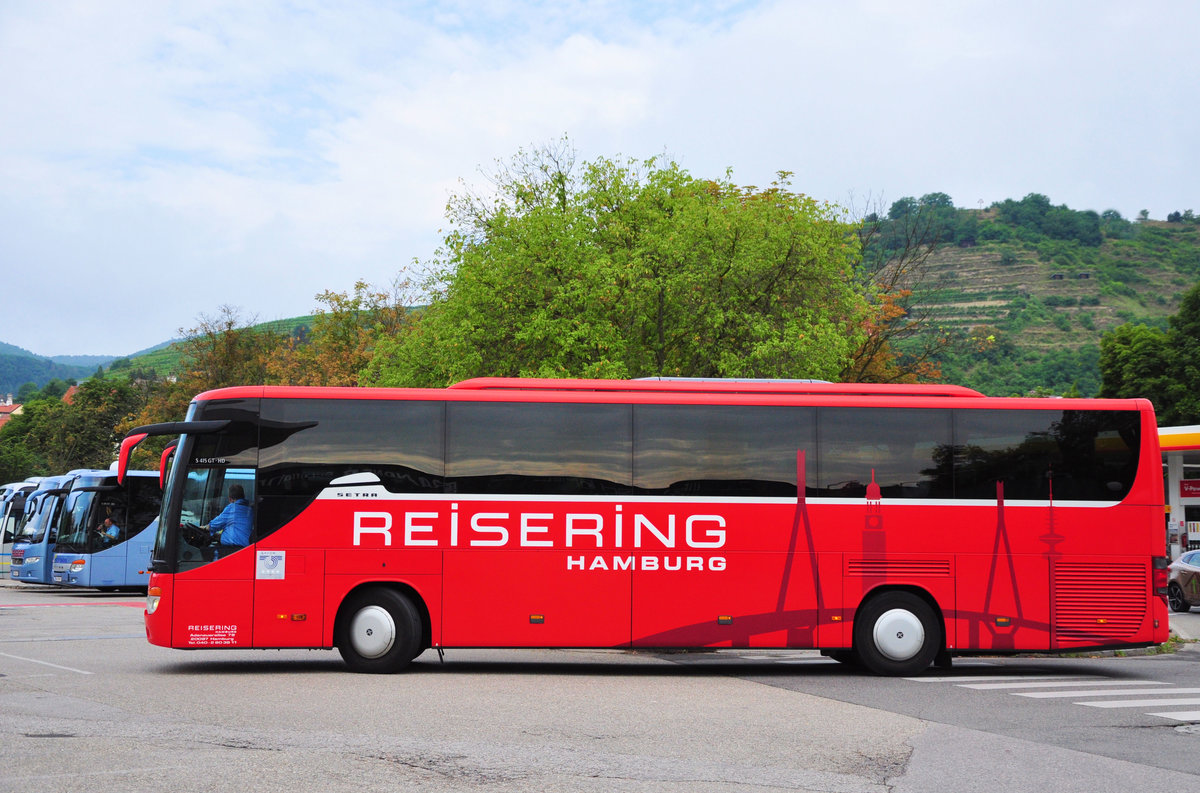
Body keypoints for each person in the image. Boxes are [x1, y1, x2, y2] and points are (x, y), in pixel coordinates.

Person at [203, 484, 252, 550]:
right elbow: (238, 531)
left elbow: (212, 526)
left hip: (234, 550)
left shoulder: (232, 508)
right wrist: (219, 536)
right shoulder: (250, 509)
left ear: (230, 499)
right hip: (246, 548)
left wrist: (202, 528)